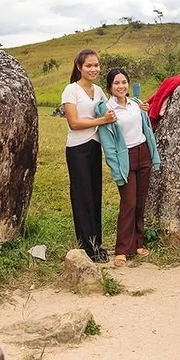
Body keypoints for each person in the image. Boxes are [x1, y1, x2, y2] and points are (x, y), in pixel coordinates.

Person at [95, 68, 161, 267]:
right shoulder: (107, 110)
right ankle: (122, 249)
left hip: (143, 154)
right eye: (116, 83)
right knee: (128, 203)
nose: (121, 86)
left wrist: (153, 155)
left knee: (140, 201)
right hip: (126, 159)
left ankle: (138, 243)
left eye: (124, 82)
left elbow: (146, 130)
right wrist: (116, 169)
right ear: (109, 87)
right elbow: (108, 143)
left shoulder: (135, 104)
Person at [61, 48, 116, 263]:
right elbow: (74, 123)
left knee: (95, 195)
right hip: (77, 148)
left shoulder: (99, 90)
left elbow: (111, 109)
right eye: (89, 66)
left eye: (96, 65)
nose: (93, 69)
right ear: (79, 67)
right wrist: (100, 121)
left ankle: (97, 244)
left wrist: (137, 105)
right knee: (82, 196)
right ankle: (86, 247)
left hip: (94, 146)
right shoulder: (71, 90)